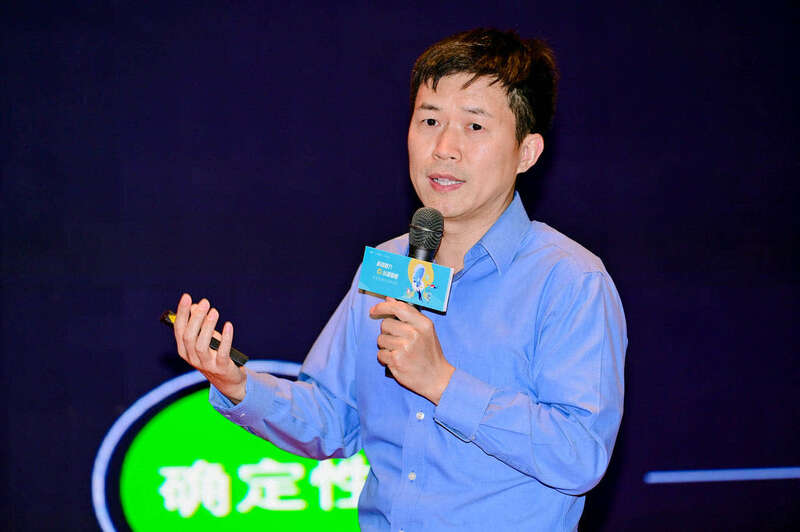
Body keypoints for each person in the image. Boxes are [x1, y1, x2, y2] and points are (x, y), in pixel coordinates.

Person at [174, 28, 627, 531]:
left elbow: (580, 454)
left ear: (527, 152)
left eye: (475, 126)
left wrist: (444, 383)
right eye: (429, 120)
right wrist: (237, 384)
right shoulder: (390, 263)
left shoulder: (570, 280)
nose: (444, 148)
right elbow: (332, 418)